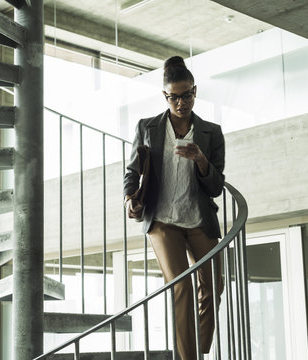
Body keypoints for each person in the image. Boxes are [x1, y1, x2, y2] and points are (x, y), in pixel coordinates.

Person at [123, 56, 225, 360]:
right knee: (181, 286)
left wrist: (201, 159)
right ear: (165, 96)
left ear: (195, 91)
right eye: (174, 97)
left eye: (187, 95)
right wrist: (130, 198)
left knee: (213, 287)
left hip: (198, 220)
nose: (181, 102)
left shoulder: (211, 133)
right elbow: (131, 172)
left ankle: (196, 350)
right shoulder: (147, 127)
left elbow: (216, 187)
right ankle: (188, 358)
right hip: (163, 221)